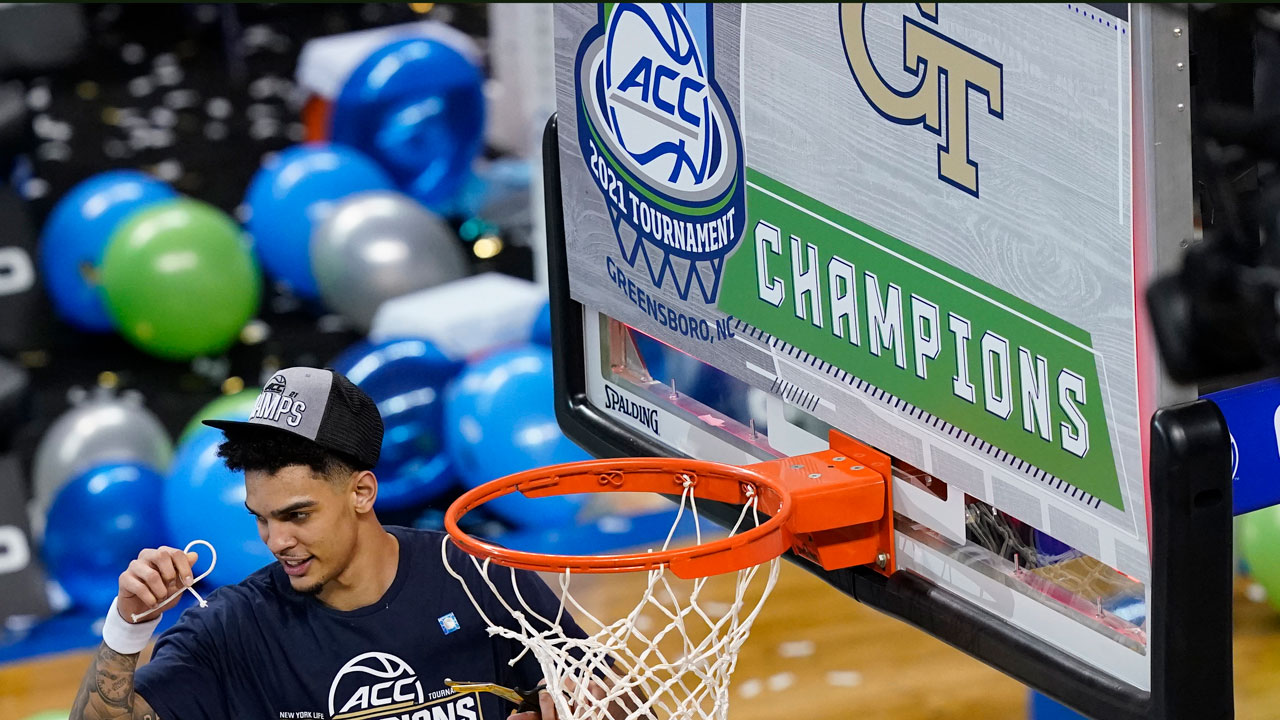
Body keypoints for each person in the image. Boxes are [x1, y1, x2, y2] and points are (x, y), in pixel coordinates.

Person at [70, 366, 584, 720]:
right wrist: (126, 628)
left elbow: (622, 699)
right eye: (262, 519)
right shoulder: (231, 627)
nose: (277, 540)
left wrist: (580, 705)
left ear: (361, 491)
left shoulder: (478, 578)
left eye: (297, 515)